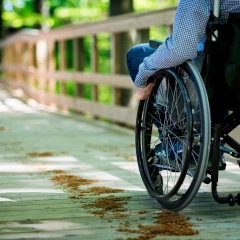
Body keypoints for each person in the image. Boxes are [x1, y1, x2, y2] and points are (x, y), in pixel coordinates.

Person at [126, 0, 240, 100]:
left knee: (135, 55)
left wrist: (142, 76)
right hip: (234, 77)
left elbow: (181, 50)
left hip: (216, 75)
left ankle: (176, 123)